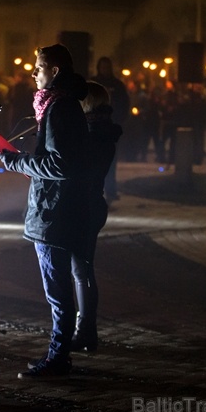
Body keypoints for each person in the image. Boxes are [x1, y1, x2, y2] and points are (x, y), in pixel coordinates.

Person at [0, 44, 90, 378]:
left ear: (55, 72)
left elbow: (59, 163)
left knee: (57, 290)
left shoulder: (59, 108)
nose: (32, 73)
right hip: (58, 208)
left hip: (53, 213)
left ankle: (58, 358)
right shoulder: (61, 106)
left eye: (38, 67)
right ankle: (61, 352)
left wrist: (14, 160)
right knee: (60, 288)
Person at [71, 81, 122, 352]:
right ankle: (85, 329)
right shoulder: (101, 129)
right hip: (92, 203)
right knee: (82, 270)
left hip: (85, 205)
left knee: (82, 271)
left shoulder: (94, 133)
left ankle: (85, 330)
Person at [90, 57, 128, 203]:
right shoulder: (93, 83)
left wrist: (118, 122)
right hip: (94, 129)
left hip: (110, 128)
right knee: (94, 161)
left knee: (111, 161)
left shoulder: (117, 85)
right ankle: (94, 189)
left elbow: (124, 105)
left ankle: (111, 191)